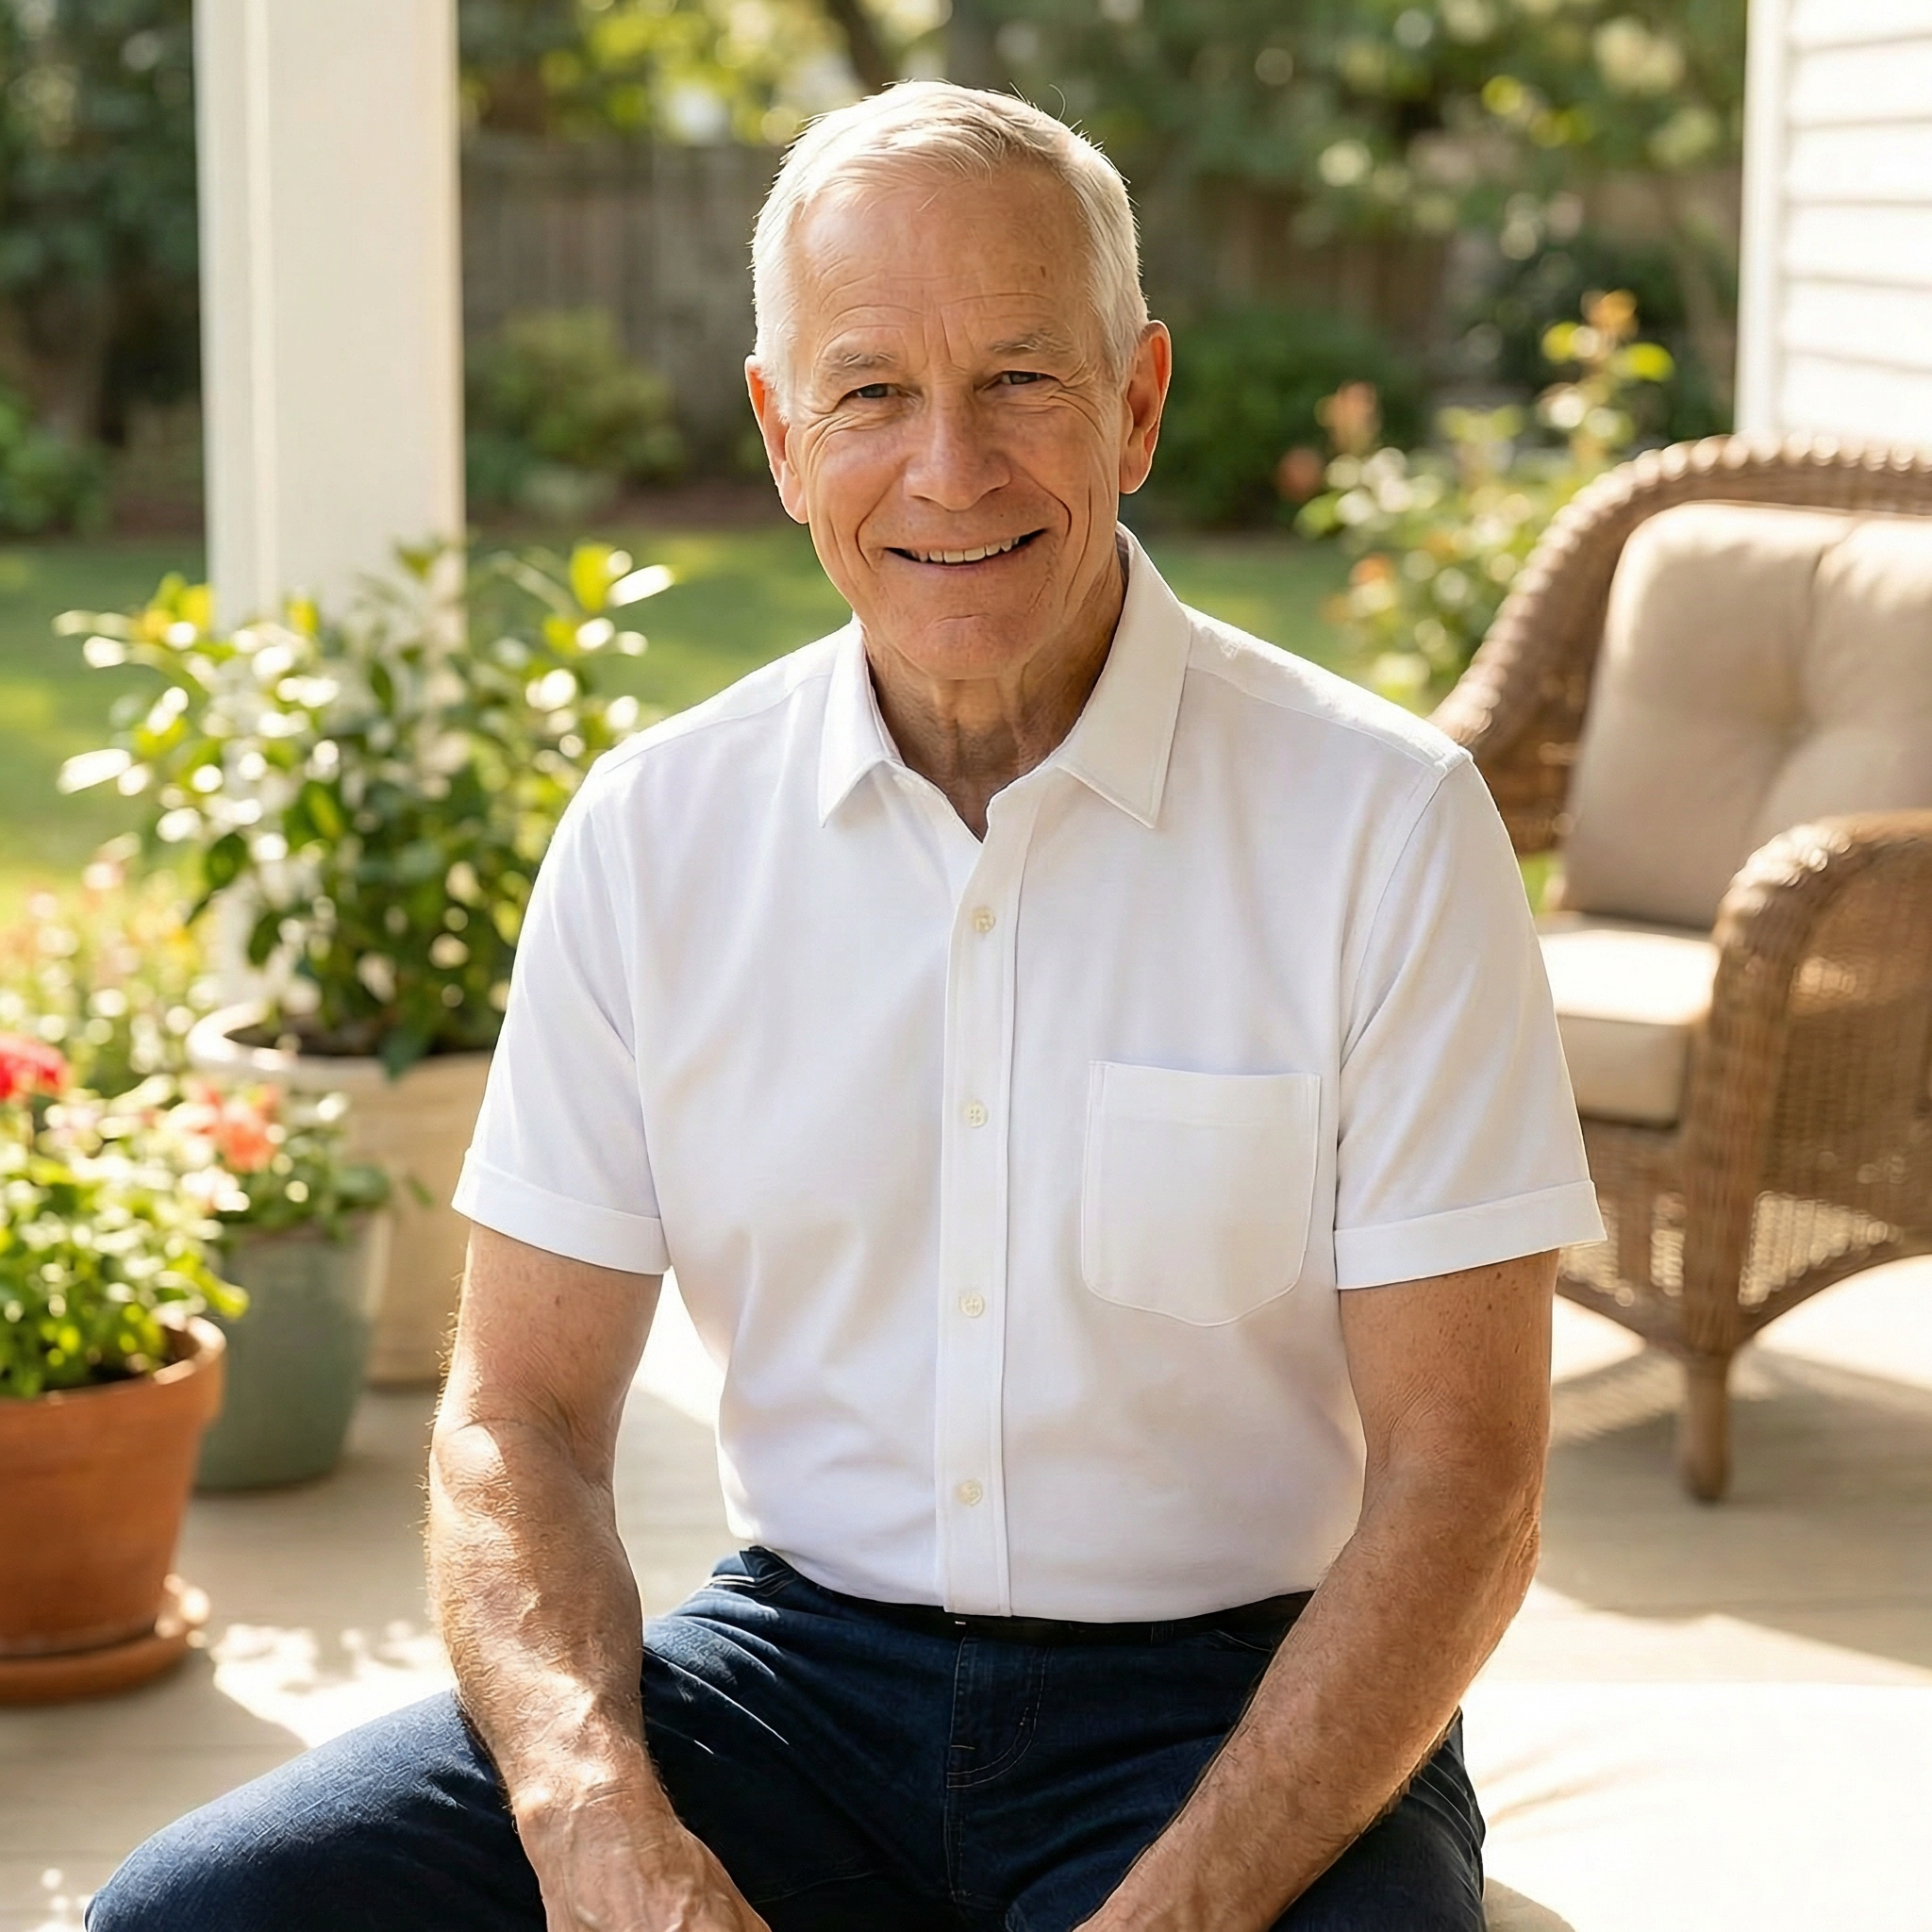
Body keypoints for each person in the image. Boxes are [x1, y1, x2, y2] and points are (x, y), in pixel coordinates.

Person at [92, 82, 1602, 1932]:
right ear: (782, 434)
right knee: (197, 1917)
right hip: (794, 1681)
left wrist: (1179, 1910)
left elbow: (1464, 1484)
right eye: (873, 391)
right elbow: (517, 1417)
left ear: (1135, 403)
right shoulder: (657, 833)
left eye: (1021, 382)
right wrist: (596, 1826)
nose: (948, 469)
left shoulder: (1379, 825)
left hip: (1238, 1699)